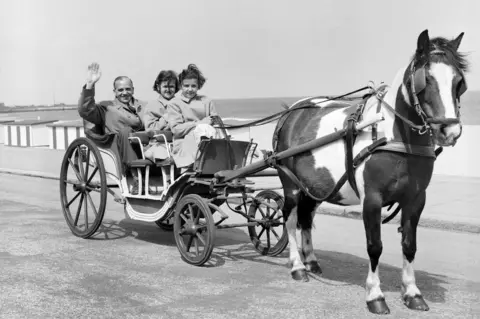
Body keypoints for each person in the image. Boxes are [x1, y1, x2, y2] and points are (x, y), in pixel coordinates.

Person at [77, 62, 149, 195]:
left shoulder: (144, 106)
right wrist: (90, 84)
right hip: (119, 148)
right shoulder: (107, 107)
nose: (125, 93)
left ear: (133, 89)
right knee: (125, 131)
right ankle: (136, 178)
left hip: (145, 146)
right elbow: (85, 110)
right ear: (114, 92)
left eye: (128, 89)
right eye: (120, 90)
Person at [166, 64, 223, 169]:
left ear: (198, 86)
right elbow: (176, 130)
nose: (190, 89)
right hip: (184, 144)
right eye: (186, 86)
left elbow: (216, 122)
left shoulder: (206, 101)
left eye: (193, 86)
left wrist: (208, 124)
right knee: (202, 129)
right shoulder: (174, 103)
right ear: (181, 86)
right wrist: (199, 124)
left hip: (208, 140)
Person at [142, 70, 180, 163]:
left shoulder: (181, 104)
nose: (168, 89)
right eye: (165, 86)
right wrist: (166, 118)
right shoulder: (152, 106)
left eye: (171, 86)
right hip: (159, 144)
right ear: (158, 87)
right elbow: (150, 129)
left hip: (179, 143)